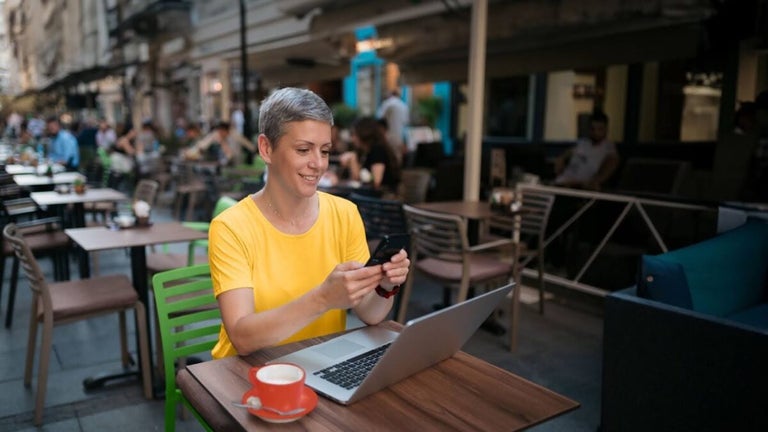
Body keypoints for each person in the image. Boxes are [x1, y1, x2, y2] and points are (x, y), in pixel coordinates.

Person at [208, 87, 410, 358]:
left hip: (319, 364)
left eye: (325, 151)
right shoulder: (231, 227)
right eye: (303, 150)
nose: (318, 164)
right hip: (246, 370)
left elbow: (370, 313)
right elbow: (242, 337)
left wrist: (385, 286)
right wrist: (324, 298)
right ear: (266, 149)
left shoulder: (345, 213)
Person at [553, 110, 618, 190]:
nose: (596, 132)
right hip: (561, 182)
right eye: (592, 129)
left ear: (606, 129)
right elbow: (565, 155)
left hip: (580, 187)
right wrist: (560, 161)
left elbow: (612, 163)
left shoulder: (608, 148)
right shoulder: (583, 143)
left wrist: (596, 181)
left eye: (600, 129)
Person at [339, 116, 402, 196]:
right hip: (371, 196)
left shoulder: (378, 150)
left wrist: (353, 159)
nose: (352, 139)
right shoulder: (365, 152)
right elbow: (357, 180)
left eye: (354, 134)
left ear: (364, 133)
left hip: (383, 197)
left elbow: (376, 182)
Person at [186, 120, 256, 166]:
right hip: (225, 162)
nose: (220, 133)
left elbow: (246, 144)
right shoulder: (217, 134)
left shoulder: (234, 135)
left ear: (226, 130)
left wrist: (254, 149)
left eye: (221, 131)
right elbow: (204, 144)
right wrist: (191, 153)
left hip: (236, 162)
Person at [377, 89, 409, 163]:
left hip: (388, 133)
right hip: (399, 134)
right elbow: (406, 122)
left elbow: (380, 118)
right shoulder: (404, 105)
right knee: (398, 156)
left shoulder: (387, 104)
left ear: (391, 94)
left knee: (388, 155)